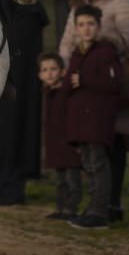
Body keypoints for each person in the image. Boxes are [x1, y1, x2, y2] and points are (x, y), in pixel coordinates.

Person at [57, 0, 129, 223]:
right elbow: (66, 45)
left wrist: (93, 34)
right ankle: (96, 204)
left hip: (112, 86)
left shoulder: (121, 3)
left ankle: (111, 204)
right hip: (82, 89)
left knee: (114, 145)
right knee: (93, 149)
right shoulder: (77, 7)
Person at [63, 5, 121, 230]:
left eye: (90, 24)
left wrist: (84, 79)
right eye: (81, 25)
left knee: (98, 165)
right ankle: (92, 208)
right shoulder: (77, 53)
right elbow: (68, 83)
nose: (86, 29)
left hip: (98, 121)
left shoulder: (106, 52)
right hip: (80, 123)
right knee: (89, 166)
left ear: (98, 26)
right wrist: (73, 81)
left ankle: (99, 212)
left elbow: (114, 84)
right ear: (76, 28)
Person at [0, 0, 46, 205]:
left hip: (19, 55)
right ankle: (0, 181)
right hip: (0, 52)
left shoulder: (27, 11)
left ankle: (11, 184)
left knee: (16, 117)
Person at [37, 51, 82, 220]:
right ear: (40, 74)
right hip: (55, 143)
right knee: (60, 180)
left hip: (69, 143)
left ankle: (71, 209)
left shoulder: (67, 93)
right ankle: (61, 208)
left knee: (72, 179)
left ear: (63, 72)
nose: (49, 73)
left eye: (53, 69)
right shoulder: (47, 94)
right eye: (45, 70)